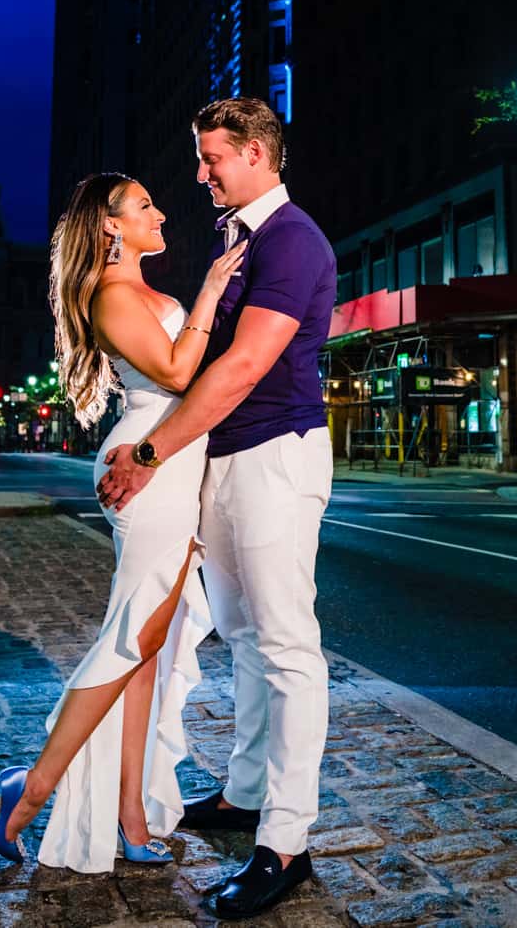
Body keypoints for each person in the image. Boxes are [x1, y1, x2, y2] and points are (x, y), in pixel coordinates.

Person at [98, 97, 337, 919]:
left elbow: (239, 369)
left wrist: (150, 450)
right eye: (200, 161)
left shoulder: (293, 239)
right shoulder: (238, 240)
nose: (200, 175)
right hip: (229, 461)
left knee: (286, 645)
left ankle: (286, 839)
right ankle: (241, 794)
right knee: (241, 636)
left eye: (213, 159)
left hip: (277, 455)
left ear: (259, 154)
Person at [0, 173, 245, 875]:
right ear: (111, 228)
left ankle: (131, 813)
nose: (161, 213)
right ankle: (31, 790)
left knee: (148, 643)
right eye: (145, 205)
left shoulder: (146, 292)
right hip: (148, 467)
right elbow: (183, 371)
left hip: (177, 463)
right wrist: (214, 289)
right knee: (133, 634)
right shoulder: (113, 295)